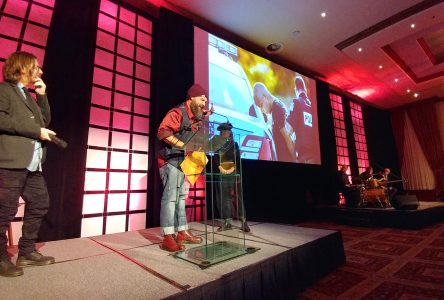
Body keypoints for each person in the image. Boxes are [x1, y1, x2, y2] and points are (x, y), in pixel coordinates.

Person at [0, 51, 56, 277]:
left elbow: (45, 121)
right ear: (22, 67)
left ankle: (26, 251)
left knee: (40, 204)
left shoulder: (29, 96)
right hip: (11, 161)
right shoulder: (4, 90)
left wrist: (42, 95)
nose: (40, 71)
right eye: (36, 67)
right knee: (4, 212)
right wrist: (36, 131)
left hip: (33, 164)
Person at [157, 84, 209, 252]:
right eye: (202, 99)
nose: (205, 102)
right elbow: (163, 132)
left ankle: (182, 232)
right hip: (170, 161)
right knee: (170, 198)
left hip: (183, 163)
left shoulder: (195, 116)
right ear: (191, 98)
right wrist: (184, 146)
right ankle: (167, 236)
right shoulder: (178, 112)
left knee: (180, 198)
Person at [213, 122, 250, 232]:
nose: (225, 133)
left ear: (230, 132)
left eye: (227, 131)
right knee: (225, 198)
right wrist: (221, 168)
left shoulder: (234, 144)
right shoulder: (216, 144)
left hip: (234, 172)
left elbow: (237, 159)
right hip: (222, 172)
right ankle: (227, 221)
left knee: (238, 197)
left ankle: (244, 222)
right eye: (223, 131)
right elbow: (215, 158)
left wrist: (231, 169)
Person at [253, 82, 296, 162]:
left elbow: (287, 136)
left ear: (264, 97)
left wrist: (295, 160)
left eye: (261, 106)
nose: (262, 110)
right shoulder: (276, 107)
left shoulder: (277, 109)